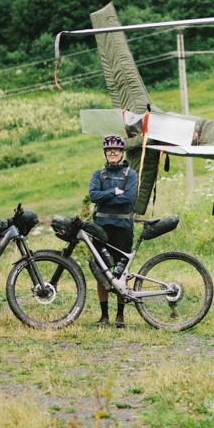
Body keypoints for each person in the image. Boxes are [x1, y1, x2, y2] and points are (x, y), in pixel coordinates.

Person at [87, 134, 138, 326]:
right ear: (105, 153)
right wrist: (114, 192)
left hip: (123, 229)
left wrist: (105, 197)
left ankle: (120, 316)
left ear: (122, 153)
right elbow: (93, 196)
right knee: (102, 271)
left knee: (121, 271)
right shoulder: (97, 174)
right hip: (101, 229)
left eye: (116, 150)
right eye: (109, 150)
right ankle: (104, 316)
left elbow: (129, 198)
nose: (112, 153)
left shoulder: (130, 175)